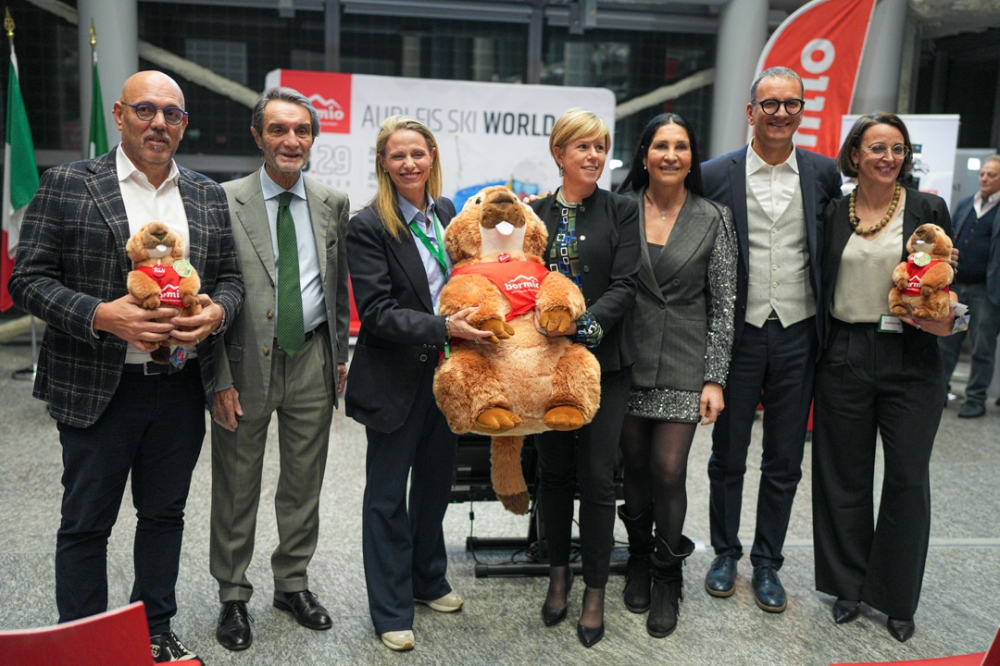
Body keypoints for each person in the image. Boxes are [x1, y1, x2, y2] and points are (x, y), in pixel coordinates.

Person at [8, 71, 244, 664]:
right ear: (118, 115)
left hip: (180, 387)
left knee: (164, 516)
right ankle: (84, 642)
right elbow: (27, 280)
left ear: (184, 124)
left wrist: (214, 312)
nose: (158, 123)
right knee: (87, 522)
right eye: (145, 110)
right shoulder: (68, 184)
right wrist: (100, 315)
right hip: (97, 386)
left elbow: (232, 282)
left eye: (172, 114)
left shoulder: (208, 194)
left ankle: (154, 632)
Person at [209, 87, 350, 651]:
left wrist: (341, 355)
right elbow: (208, 295)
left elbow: (338, 289)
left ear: (313, 138)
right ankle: (233, 595)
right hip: (244, 363)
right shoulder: (223, 200)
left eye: (301, 131)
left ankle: (291, 583)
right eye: (278, 130)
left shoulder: (333, 201)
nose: (290, 140)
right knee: (236, 483)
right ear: (258, 136)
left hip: (312, 356)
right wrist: (216, 377)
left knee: (303, 483)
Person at [345, 116, 493, 652]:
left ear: (432, 156)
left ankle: (428, 579)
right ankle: (390, 609)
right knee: (387, 498)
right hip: (395, 380)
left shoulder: (448, 213)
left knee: (435, 486)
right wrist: (443, 326)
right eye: (397, 155)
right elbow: (377, 313)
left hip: (448, 376)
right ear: (384, 163)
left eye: (418, 153)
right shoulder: (368, 225)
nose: (409, 163)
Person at [813, 112, 959, 643]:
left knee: (906, 476)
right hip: (845, 353)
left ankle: (896, 597)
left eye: (898, 149)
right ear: (855, 155)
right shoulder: (832, 212)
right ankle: (848, 586)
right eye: (877, 148)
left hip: (913, 356)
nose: (888, 157)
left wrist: (951, 318)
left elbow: (947, 287)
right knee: (843, 476)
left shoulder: (928, 210)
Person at [700, 66, 842, 613]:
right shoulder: (716, 174)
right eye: (770, 104)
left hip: (800, 333)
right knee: (727, 453)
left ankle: (767, 564)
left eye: (791, 103)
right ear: (750, 111)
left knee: (784, 458)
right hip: (738, 333)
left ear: (802, 110)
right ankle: (724, 554)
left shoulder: (824, 173)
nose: (780, 113)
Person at [615, 113, 737, 638]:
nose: (670, 155)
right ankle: (638, 559)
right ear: (643, 156)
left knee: (668, 470)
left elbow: (725, 303)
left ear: (692, 157)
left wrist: (716, 379)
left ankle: (668, 575)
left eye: (681, 146)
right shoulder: (619, 211)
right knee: (634, 471)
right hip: (625, 359)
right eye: (660, 145)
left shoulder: (715, 217)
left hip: (686, 364)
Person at [529, 108, 641, 648]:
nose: (594, 156)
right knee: (552, 475)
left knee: (597, 479)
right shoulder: (535, 213)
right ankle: (558, 572)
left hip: (604, 365)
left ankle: (594, 588)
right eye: (583, 147)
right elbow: (520, 281)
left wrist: (583, 327)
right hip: (544, 365)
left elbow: (627, 283)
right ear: (559, 153)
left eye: (601, 147)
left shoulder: (621, 209)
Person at [939, 155, 1000, 418]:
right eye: (983, 174)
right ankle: (939, 392)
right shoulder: (966, 204)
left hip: (985, 293)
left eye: (992, 175)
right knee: (949, 342)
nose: (984, 178)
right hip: (959, 289)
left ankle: (975, 399)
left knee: (981, 347)